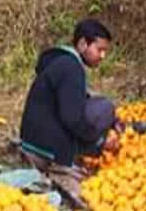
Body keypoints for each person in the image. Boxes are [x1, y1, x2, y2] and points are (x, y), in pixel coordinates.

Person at [19, 18, 120, 174]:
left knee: (96, 106)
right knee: (104, 108)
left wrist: (113, 123)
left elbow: (74, 101)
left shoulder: (61, 61)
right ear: (82, 44)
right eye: (99, 49)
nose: (102, 56)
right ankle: (61, 162)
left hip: (32, 140)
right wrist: (100, 142)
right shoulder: (70, 67)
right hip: (45, 148)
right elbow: (72, 118)